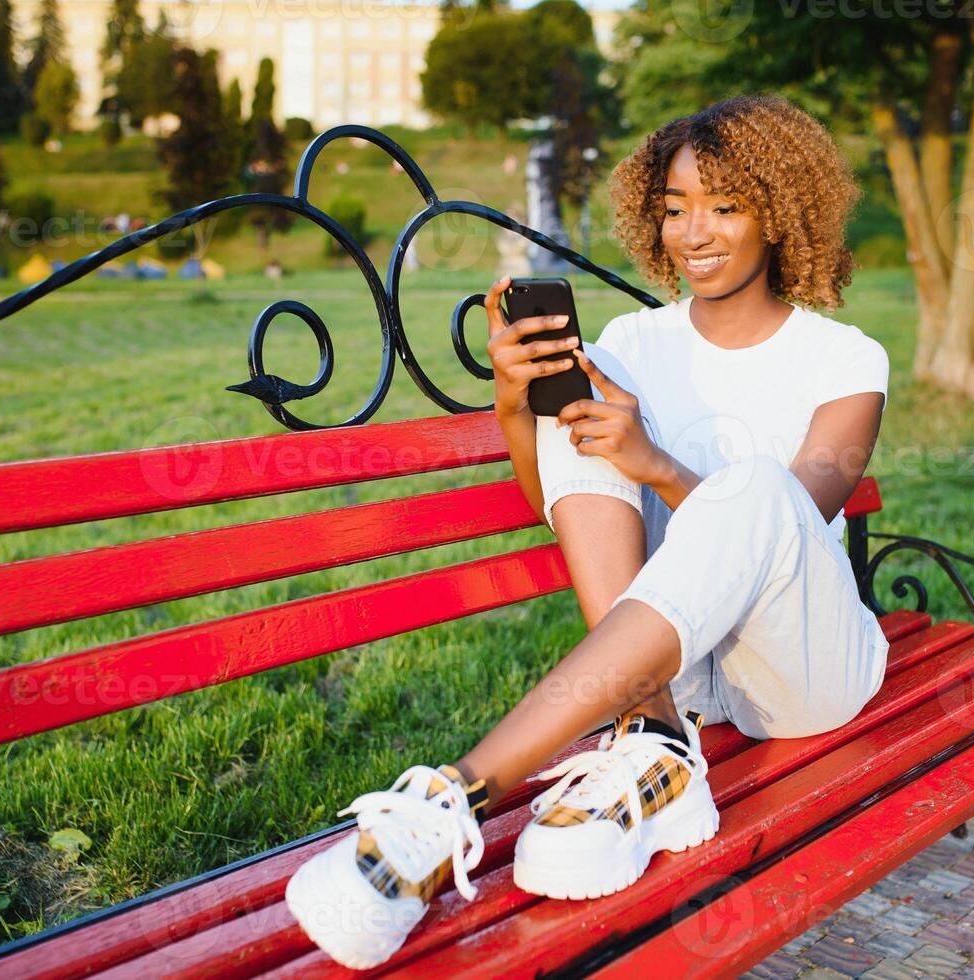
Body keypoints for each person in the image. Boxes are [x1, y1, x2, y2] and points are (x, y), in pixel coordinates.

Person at [284, 94, 891, 970]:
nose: (695, 232)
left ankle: (451, 799)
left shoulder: (844, 359)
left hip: (800, 677)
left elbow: (796, 517)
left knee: (752, 486)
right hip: (676, 675)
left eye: (725, 205)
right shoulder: (631, 344)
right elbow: (557, 497)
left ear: (780, 213)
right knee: (580, 410)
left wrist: (659, 466)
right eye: (675, 208)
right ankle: (654, 741)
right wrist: (511, 400)